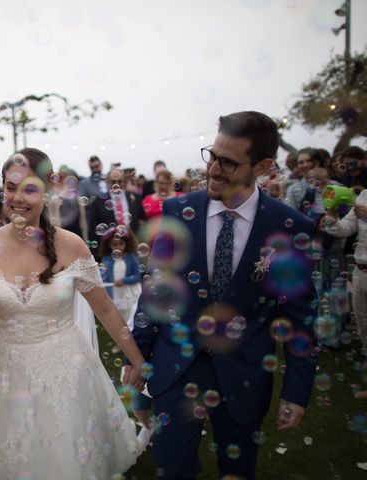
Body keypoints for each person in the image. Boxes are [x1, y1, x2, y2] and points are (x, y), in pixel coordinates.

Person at [129, 111, 319, 479]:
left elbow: (300, 317)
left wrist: (296, 390)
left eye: (228, 162)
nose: (213, 170)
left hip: (243, 372)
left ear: (262, 166)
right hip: (176, 365)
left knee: (237, 468)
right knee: (172, 468)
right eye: (212, 155)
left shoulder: (288, 226)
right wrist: (139, 352)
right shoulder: (177, 210)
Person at [0, 148, 145, 479]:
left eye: (29, 188)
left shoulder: (72, 245)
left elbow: (104, 307)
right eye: (10, 187)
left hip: (64, 370)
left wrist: (138, 361)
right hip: (5, 372)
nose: (17, 197)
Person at [322, 188, 367, 398]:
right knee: (363, 325)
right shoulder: (364, 195)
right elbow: (344, 229)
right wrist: (331, 215)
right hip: (359, 270)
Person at [87, 168, 145, 259]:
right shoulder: (98, 202)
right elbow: (93, 229)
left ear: (125, 182)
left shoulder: (135, 198)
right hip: (109, 251)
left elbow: (142, 221)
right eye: (113, 182)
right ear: (108, 183)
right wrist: (97, 255)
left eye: (120, 181)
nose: (116, 184)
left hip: (132, 249)